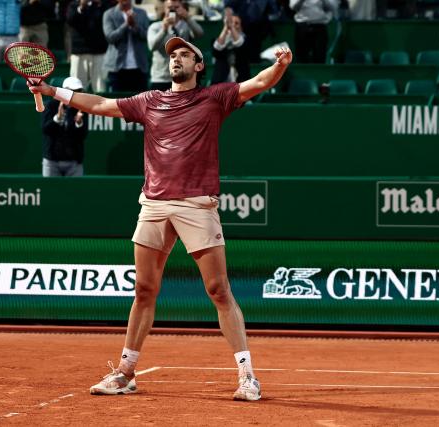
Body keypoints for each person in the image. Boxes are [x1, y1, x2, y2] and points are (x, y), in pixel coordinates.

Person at [29, 36, 293, 401]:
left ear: (198, 65)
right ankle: (125, 372)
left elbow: (259, 83)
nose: (176, 59)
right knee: (144, 290)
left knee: (218, 290)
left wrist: (280, 64)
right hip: (153, 204)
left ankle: (248, 376)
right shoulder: (149, 101)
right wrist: (52, 90)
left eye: (184, 54)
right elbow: (102, 104)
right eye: (172, 55)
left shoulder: (215, 98)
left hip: (197, 205)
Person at [147, 0, 203, 90]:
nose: (173, 10)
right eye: (169, 8)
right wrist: (164, 30)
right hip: (161, 78)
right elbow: (152, 46)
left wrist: (188, 18)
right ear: (164, 9)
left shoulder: (186, 26)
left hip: (183, 77)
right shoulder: (155, 26)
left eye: (176, 7)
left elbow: (200, 34)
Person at [41, 76, 88, 176]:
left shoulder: (82, 108)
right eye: (72, 91)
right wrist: (58, 118)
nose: (75, 94)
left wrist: (78, 123)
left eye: (78, 91)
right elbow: (46, 130)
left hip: (74, 162)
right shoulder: (51, 105)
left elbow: (83, 135)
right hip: (51, 161)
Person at [102, 0, 150, 92]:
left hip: (139, 68)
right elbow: (110, 38)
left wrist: (135, 26)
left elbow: (146, 36)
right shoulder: (109, 14)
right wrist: (126, 25)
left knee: (140, 104)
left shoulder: (141, 13)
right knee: (117, 104)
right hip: (116, 68)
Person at [66, 0, 109, 92]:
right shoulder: (73, 5)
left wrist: (99, 5)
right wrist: (82, 6)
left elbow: (105, 21)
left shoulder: (103, 5)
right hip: (79, 52)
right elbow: (70, 20)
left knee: (100, 87)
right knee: (77, 87)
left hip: (99, 52)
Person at [211, 8, 249, 84]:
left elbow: (240, 45)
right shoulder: (219, 40)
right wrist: (226, 29)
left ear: (241, 27)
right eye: (231, 23)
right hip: (220, 85)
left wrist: (231, 27)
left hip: (241, 85)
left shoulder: (247, 41)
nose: (233, 25)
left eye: (236, 23)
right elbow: (216, 49)